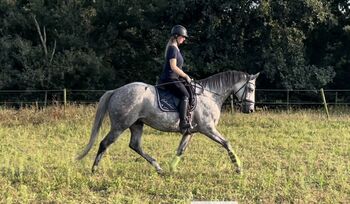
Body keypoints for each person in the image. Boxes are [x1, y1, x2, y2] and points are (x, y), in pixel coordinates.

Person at [159, 25, 193, 134]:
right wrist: (185, 76)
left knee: (189, 89)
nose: (184, 39)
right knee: (185, 95)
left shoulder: (175, 48)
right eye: (183, 37)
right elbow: (173, 67)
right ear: (176, 36)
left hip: (174, 77)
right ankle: (182, 123)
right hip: (170, 78)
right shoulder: (173, 48)